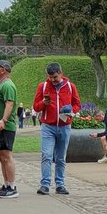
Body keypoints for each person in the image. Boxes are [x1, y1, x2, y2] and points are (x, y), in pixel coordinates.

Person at [33, 63, 81, 195]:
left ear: (61, 73)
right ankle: (45, 184)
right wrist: (44, 103)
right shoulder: (43, 87)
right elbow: (36, 107)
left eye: (55, 77)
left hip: (65, 126)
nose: (52, 80)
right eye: (50, 77)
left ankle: (60, 184)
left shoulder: (71, 87)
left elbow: (77, 104)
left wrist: (71, 110)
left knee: (60, 158)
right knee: (47, 155)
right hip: (48, 126)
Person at [0, 60, 19, 198]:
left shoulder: (8, 85)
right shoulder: (0, 85)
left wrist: (4, 120)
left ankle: (12, 186)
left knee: (6, 155)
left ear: (3, 70)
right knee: (1, 156)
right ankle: (7, 184)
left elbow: (9, 104)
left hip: (5, 126)